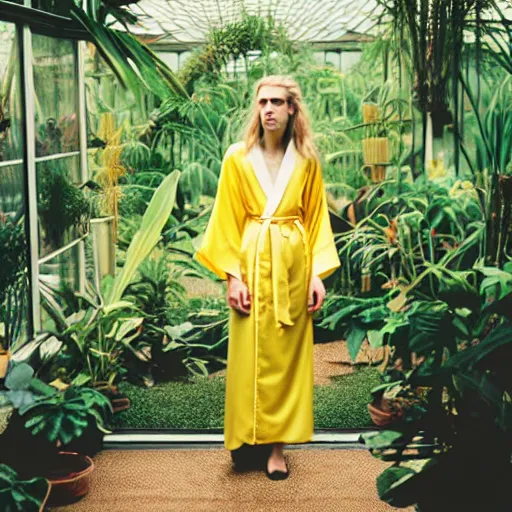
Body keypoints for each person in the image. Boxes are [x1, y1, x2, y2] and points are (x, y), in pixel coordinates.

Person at [194, 75, 340, 480]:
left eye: (277, 102)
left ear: (293, 108)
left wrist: (315, 275)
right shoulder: (236, 157)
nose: (269, 109)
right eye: (262, 102)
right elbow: (225, 220)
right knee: (248, 357)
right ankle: (247, 436)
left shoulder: (306, 160)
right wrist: (232, 278)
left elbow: (316, 220)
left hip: (292, 268)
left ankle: (277, 447)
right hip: (252, 264)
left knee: (288, 359)